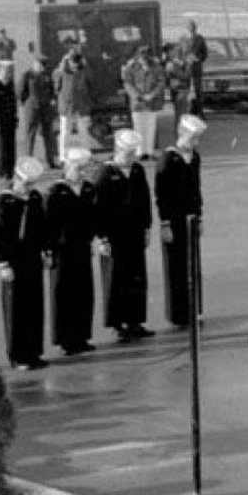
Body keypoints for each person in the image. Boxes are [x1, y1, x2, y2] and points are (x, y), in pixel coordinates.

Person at [93, 129, 154, 342]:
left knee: (136, 276)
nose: (131, 157)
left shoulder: (137, 170)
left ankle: (135, 320)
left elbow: (145, 199)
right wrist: (102, 237)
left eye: (133, 153)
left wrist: (147, 228)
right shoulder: (105, 173)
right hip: (114, 234)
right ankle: (118, 323)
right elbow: (98, 208)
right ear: (118, 150)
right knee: (116, 278)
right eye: (127, 153)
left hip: (135, 231)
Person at [0, 157, 48, 370]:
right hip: (13, 261)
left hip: (32, 258)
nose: (28, 188)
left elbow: (41, 227)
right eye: (25, 184)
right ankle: (17, 356)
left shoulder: (33, 199)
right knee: (15, 309)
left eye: (32, 184)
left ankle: (33, 352)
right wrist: (3, 264)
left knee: (34, 305)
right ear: (16, 179)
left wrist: (45, 250)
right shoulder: (2, 203)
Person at [156, 115, 206, 329]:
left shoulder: (194, 157)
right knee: (176, 266)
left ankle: (194, 309)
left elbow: (196, 188)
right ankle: (178, 314)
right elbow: (162, 194)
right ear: (182, 134)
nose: (196, 143)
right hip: (174, 218)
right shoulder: (168, 158)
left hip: (190, 218)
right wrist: (165, 223)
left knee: (193, 265)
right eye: (193, 138)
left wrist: (199, 215)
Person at [45, 147, 96, 356]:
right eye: (78, 168)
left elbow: (92, 216)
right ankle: (66, 339)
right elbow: (48, 224)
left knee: (84, 291)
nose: (82, 173)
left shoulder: (87, 188)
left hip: (82, 245)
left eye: (85, 169)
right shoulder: (55, 191)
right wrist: (48, 250)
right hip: (62, 249)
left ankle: (82, 336)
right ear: (67, 167)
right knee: (64, 293)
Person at [121, 46, 166, 160]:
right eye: (141, 55)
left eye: (146, 55)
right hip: (138, 102)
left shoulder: (156, 66)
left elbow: (161, 82)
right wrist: (137, 96)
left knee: (151, 126)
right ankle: (140, 153)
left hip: (152, 101)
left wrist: (152, 95)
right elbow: (127, 83)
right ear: (138, 55)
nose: (144, 58)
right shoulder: (131, 67)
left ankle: (149, 152)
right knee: (139, 127)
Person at [55, 41, 94, 159]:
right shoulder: (62, 71)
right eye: (72, 63)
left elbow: (91, 80)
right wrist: (62, 63)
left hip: (81, 106)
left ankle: (86, 155)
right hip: (66, 106)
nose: (74, 67)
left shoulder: (84, 71)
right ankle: (63, 156)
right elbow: (56, 85)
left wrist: (85, 65)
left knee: (84, 133)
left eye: (76, 64)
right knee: (65, 133)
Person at [19, 54, 58, 167]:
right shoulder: (27, 75)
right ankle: (28, 160)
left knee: (48, 134)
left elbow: (51, 90)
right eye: (42, 65)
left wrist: (52, 100)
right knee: (31, 134)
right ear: (35, 64)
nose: (44, 68)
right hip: (32, 109)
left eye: (45, 66)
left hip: (45, 108)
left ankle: (50, 160)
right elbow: (21, 91)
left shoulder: (46, 75)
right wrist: (27, 103)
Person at [163, 43, 193, 135]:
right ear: (169, 52)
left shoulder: (173, 62)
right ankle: (180, 135)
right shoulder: (170, 64)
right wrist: (188, 66)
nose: (176, 52)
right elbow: (184, 76)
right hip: (180, 91)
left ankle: (180, 134)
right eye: (174, 50)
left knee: (180, 114)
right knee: (181, 115)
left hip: (178, 90)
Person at [182, 21, 208, 117]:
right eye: (189, 27)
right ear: (186, 28)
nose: (191, 29)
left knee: (198, 91)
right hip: (186, 69)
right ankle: (187, 112)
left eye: (193, 27)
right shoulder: (182, 39)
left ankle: (200, 112)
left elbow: (205, 54)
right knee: (186, 90)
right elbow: (178, 53)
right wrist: (185, 60)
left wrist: (198, 59)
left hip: (197, 68)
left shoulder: (200, 39)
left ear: (195, 28)